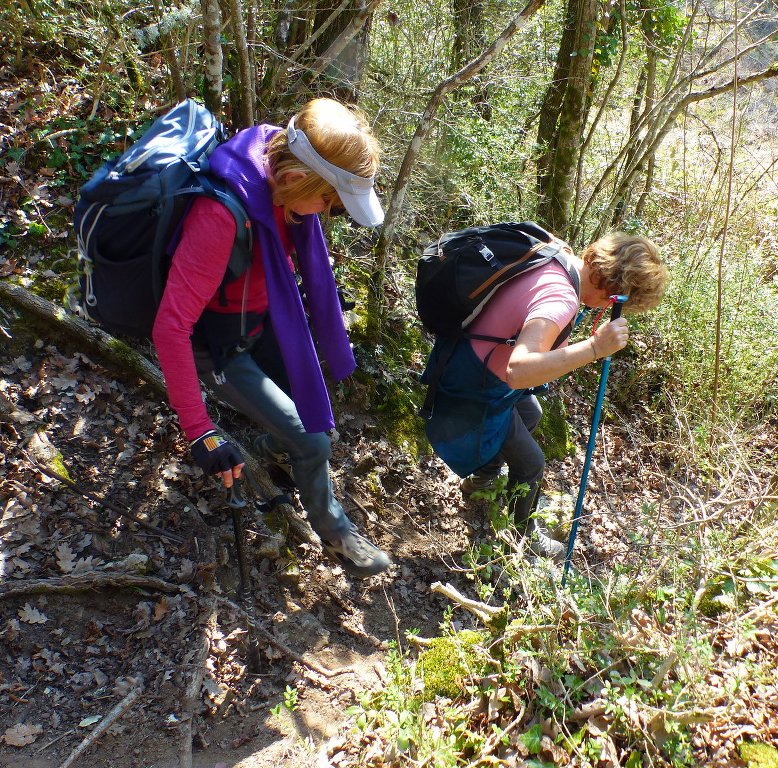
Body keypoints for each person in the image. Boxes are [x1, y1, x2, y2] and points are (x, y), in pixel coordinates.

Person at [152, 98, 391, 578]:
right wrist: (199, 430)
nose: (327, 215)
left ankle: (271, 446)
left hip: (261, 321)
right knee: (316, 444)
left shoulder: (278, 168)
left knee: (320, 421)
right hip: (216, 347)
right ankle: (334, 528)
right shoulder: (221, 216)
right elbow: (170, 327)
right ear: (291, 181)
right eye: (328, 202)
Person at [423, 231, 670, 558]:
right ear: (611, 289)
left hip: (464, 357)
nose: (615, 307)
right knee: (531, 463)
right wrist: (596, 347)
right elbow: (520, 370)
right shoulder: (561, 299)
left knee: (532, 413)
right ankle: (521, 533)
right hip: (475, 382)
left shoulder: (556, 254)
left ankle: (482, 479)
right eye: (620, 300)